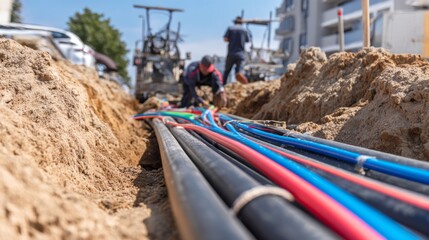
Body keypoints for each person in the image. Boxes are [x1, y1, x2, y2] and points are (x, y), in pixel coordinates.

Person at [223, 16, 250, 85]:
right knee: (239, 71)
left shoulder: (230, 28)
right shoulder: (244, 30)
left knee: (226, 71)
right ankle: (240, 75)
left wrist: (232, 39)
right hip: (240, 54)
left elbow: (225, 39)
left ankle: (222, 86)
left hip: (231, 53)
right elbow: (247, 40)